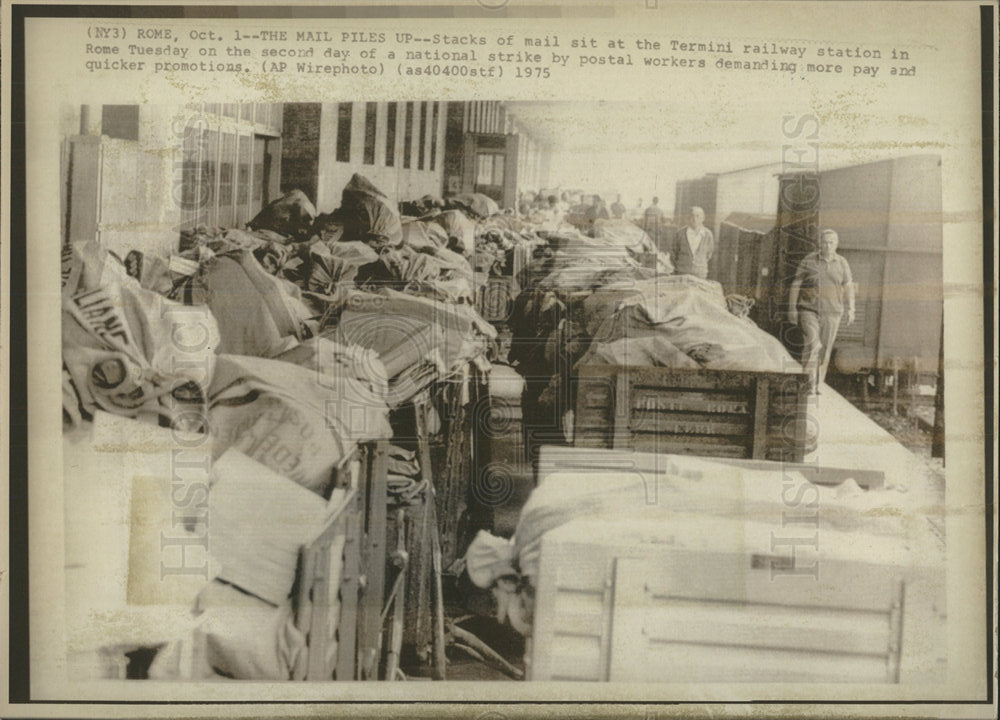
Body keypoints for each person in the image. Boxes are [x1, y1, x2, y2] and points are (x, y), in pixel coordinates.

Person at [787, 229, 856, 394]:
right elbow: (796, 284)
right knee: (812, 343)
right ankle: (806, 383)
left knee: (824, 349)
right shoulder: (809, 260)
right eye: (825, 242)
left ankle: (817, 384)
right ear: (820, 243)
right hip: (809, 310)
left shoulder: (842, 263)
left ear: (836, 244)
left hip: (833, 312)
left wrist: (851, 308)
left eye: (831, 242)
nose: (828, 245)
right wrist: (792, 308)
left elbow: (848, 286)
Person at [670, 206, 715, 279]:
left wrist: (698, 263)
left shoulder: (708, 235)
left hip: (700, 274)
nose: (694, 219)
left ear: (703, 218)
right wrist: (682, 266)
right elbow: (673, 253)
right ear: (687, 218)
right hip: (682, 273)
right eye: (692, 216)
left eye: (698, 216)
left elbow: (709, 253)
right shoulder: (680, 233)